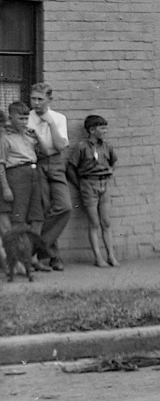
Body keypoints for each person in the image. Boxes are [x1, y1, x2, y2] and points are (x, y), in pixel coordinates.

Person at [27, 83, 70, 270]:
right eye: (33, 98)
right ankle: (54, 257)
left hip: (56, 163)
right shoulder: (27, 118)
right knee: (44, 209)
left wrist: (50, 122)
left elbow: (60, 147)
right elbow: (38, 149)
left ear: (49, 100)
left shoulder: (59, 118)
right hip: (37, 164)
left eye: (40, 99)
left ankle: (34, 248)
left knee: (65, 206)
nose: (36, 103)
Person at [66, 114, 119, 267]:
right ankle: (98, 257)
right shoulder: (82, 147)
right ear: (91, 130)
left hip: (103, 185)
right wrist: (80, 185)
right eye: (102, 128)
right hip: (88, 185)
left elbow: (113, 162)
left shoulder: (107, 146)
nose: (105, 131)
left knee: (106, 222)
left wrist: (109, 173)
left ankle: (111, 256)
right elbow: (70, 168)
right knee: (94, 222)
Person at [2, 101, 47, 261]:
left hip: (33, 174)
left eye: (26, 118)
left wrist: (37, 135)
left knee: (37, 217)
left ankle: (32, 258)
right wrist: (6, 187)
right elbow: (1, 164)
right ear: (10, 118)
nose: (24, 122)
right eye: (20, 118)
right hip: (16, 175)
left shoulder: (28, 136)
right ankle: (22, 259)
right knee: (19, 219)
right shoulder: (5, 138)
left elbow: (45, 151)